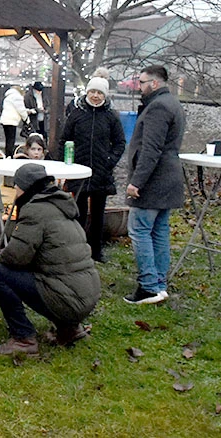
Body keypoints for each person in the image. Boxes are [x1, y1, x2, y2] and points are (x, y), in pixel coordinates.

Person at [0, 163, 101, 354]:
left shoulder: (35, 210)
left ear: (24, 187)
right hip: (87, 292)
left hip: (68, 299)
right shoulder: (61, 205)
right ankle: (69, 328)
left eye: (16, 186)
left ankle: (23, 338)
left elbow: (17, 256)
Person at [124, 65, 185, 305]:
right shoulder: (173, 103)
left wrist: (136, 181)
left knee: (139, 230)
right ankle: (159, 284)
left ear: (154, 84)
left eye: (142, 83)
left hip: (154, 180)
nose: (139, 87)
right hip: (169, 178)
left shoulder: (158, 107)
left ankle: (149, 287)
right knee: (159, 231)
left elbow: (151, 149)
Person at [58, 76, 125, 263]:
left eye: (100, 92)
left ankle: (96, 250)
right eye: (93, 91)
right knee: (77, 213)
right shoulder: (76, 114)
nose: (95, 96)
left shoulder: (111, 116)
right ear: (87, 92)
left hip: (100, 173)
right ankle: (77, 249)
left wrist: (109, 161)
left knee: (98, 214)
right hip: (78, 171)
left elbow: (120, 143)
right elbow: (64, 140)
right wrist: (65, 163)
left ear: (105, 95)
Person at [0, 85, 29, 157]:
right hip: (11, 121)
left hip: (5, 120)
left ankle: (8, 155)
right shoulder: (17, 97)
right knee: (11, 140)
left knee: (8, 139)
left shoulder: (8, 96)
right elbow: (21, 110)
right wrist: (27, 119)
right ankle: (10, 155)